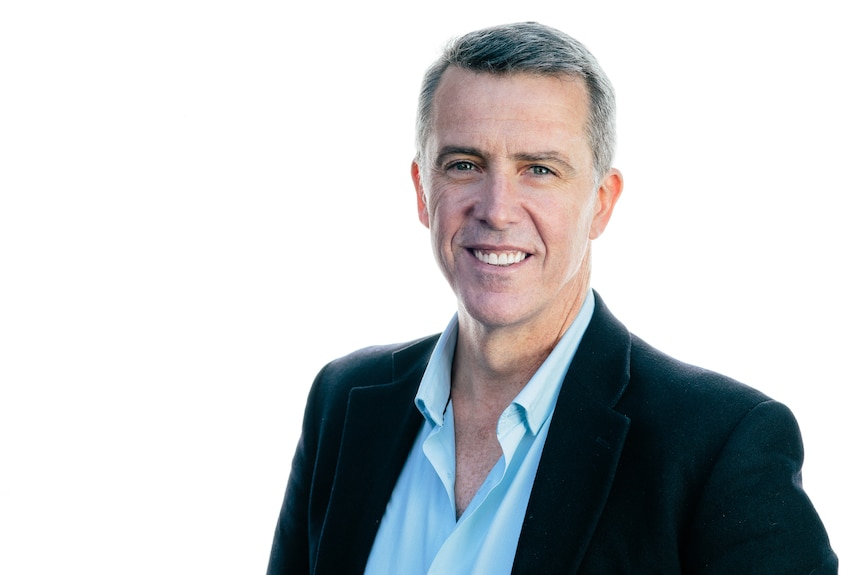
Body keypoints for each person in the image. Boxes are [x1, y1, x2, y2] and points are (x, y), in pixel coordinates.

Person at [266, 22, 837, 574]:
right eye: (465, 165)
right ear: (422, 191)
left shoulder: (721, 447)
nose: (496, 208)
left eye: (539, 169)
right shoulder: (343, 405)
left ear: (603, 203)